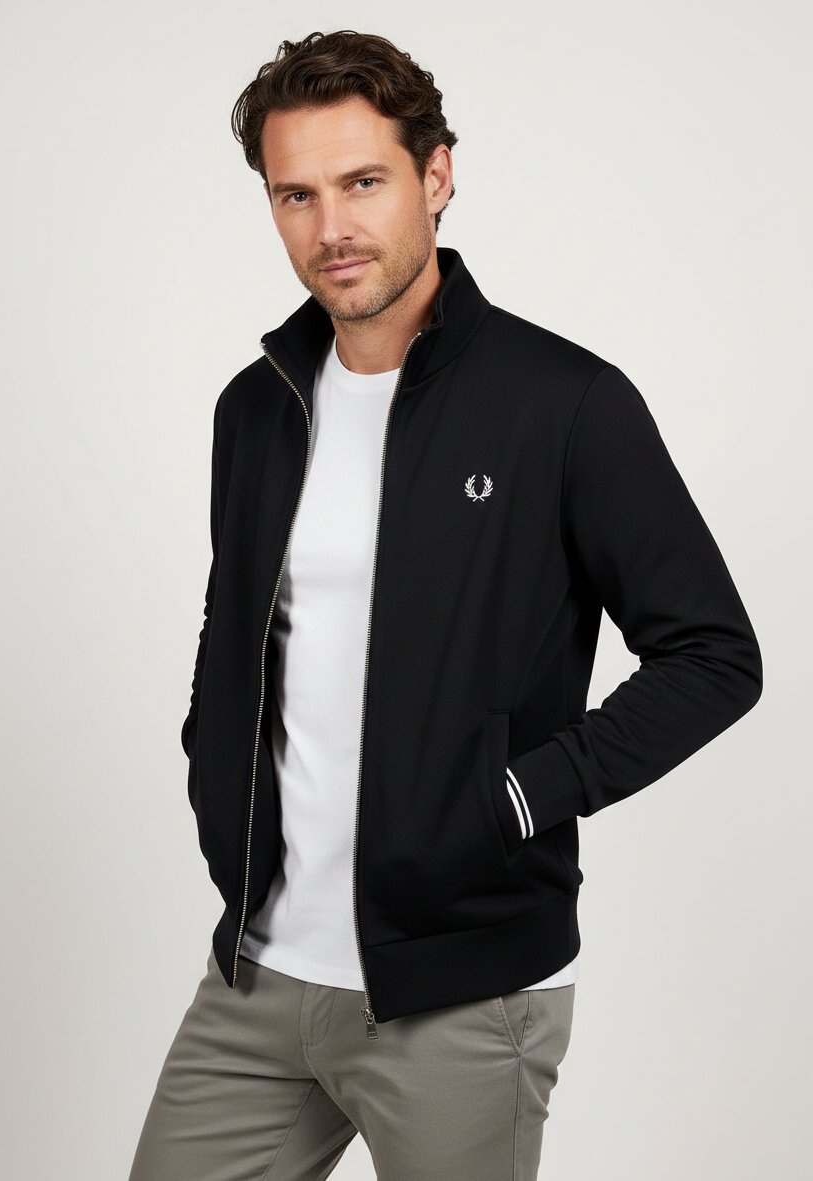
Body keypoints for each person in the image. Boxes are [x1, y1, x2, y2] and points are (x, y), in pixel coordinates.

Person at [128, 29, 763, 1181]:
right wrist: (213, 768)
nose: (331, 226)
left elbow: (714, 655)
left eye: (363, 181)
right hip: (257, 975)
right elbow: (239, 630)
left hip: (464, 996)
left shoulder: (563, 403)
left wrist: (519, 793)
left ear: (436, 175)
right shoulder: (255, 409)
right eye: (296, 194)